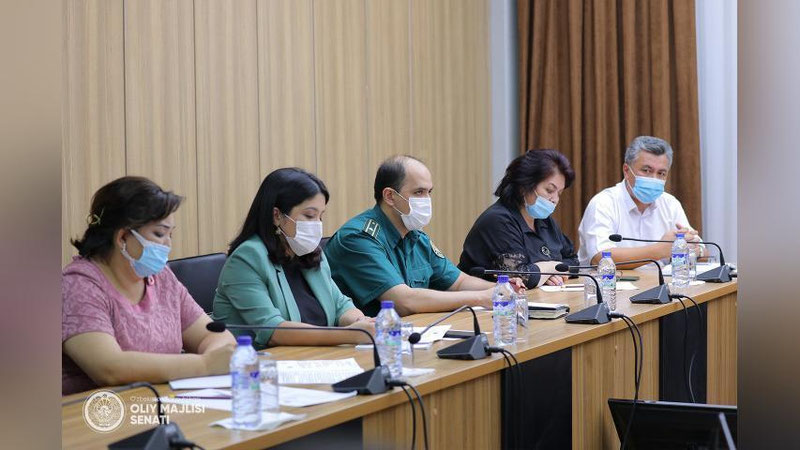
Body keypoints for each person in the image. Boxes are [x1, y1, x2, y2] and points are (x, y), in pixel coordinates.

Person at [62, 177, 236, 395]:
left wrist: (218, 356)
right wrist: (205, 365)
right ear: (123, 237)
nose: (168, 244)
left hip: (161, 401)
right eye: (159, 234)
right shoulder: (78, 285)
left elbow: (212, 335)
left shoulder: (161, 277)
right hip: (96, 410)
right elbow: (108, 368)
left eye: (170, 235)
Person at [324, 155, 524, 317]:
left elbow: (459, 282)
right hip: (367, 344)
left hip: (411, 337)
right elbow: (404, 301)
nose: (427, 200)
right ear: (390, 196)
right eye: (419, 192)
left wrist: (502, 288)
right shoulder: (358, 238)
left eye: (429, 192)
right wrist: (481, 298)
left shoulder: (417, 237)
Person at [212, 168, 374, 349]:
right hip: (259, 362)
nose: (317, 225)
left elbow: (340, 305)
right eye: (310, 215)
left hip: (314, 358)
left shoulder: (310, 252)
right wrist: (353, 334)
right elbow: (272, 330)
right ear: (277, 216)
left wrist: (362, 323)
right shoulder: (247, 258)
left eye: (320, 216)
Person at [459, 149, 578, 287]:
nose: (555, 199)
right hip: (487, 299)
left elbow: (574, 262)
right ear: (524, 187)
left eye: (559, 193)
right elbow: (520, 277)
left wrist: (550, 273)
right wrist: (552, 267)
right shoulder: (498, 220)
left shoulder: (545, 221)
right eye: (550, 190)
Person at [577, 135, 703, 267]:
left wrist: (694, 249)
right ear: (626, 171)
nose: (654, 178)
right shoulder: (603, 203)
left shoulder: (670, 204)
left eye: (661, 173)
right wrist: (661, 250)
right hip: (611, 280)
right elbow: (600, 257)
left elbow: (703, 250)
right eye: (646, 171)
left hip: (659, 280)